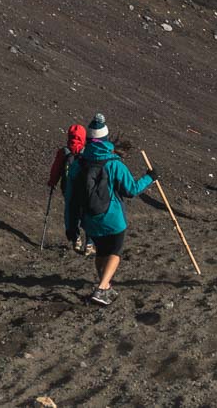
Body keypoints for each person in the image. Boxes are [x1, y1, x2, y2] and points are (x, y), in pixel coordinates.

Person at [63, 113, 155, 306]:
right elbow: (131, 190)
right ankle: (101, 288)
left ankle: (105, 286)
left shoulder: (78, 165)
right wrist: (149, 178)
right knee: (115, 252)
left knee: (101, 252)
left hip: (89, 220)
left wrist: (71, 227)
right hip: (113, 219)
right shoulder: (114, 164)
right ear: (106, 139)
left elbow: (70, 200)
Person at [47, 123, 91, 254]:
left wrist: (52, 182)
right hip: (85, 191)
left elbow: (56, 170)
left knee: (71, 214)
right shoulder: (87, 152)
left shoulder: (64, 152)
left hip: (68, 190)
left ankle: (75, 238)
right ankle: (89, 243)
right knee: (87, 214)